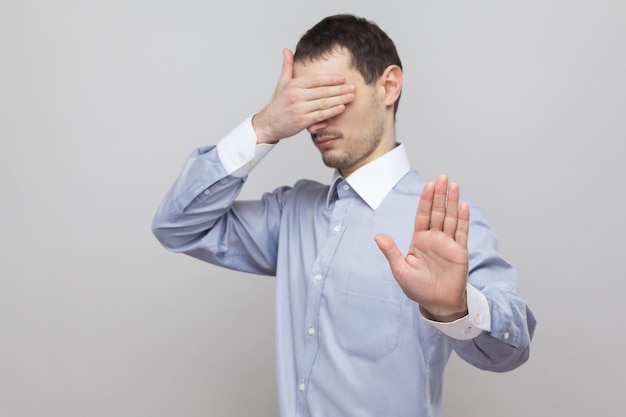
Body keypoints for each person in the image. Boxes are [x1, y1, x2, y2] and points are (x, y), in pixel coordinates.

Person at [152, 14, 536, 417]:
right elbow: (176, 226)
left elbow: (513, 347)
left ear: (388, 86)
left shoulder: (444, 221)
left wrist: (457, 309)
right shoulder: (291, 214)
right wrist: (264, 126)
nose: (315, 120)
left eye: (330, 96)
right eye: (304, 103)